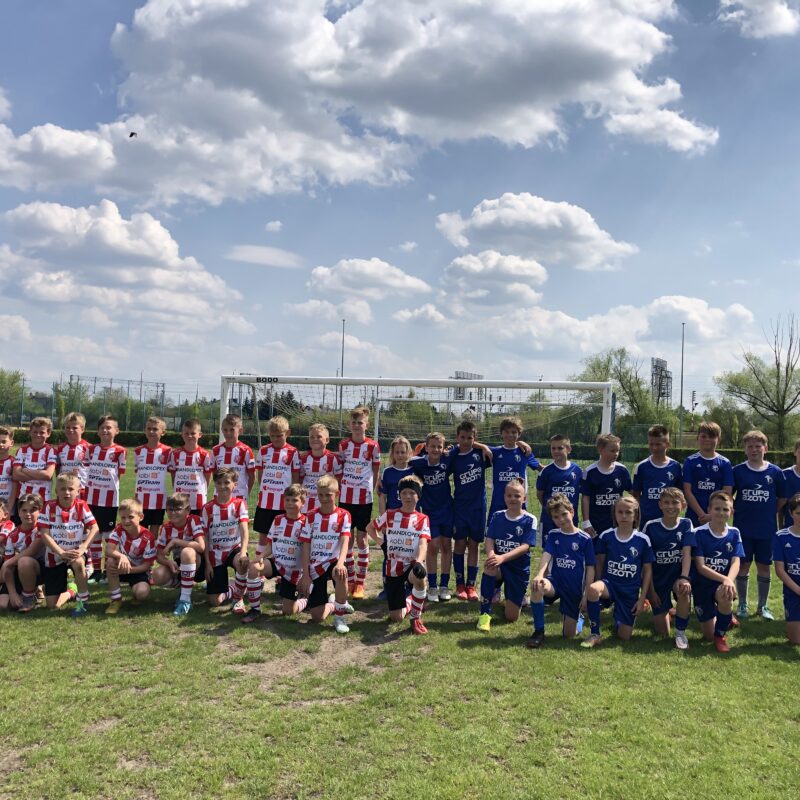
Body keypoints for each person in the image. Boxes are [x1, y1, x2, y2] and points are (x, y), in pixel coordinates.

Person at [582, 496, 653, 647]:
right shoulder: (606, 536)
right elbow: (599, 564)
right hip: (610, 585)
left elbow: (647, 571)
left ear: (636, 515)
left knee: (624, 637)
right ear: (614, 514)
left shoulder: (643, 540)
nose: (624, 516)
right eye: (620, 512)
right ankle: (595, 633)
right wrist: (596, 590)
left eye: (628, 512)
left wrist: (642, 599)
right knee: (593, 589)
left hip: (629, 591)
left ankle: (619, 618)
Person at [528, 494, 595, 648]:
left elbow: (590, 568)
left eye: (564, 514)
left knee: (568, 635)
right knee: (537, 586)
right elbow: (546, 556)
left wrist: (586, 595)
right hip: (555, 583)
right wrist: (539, 575)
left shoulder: (585, 539)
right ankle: (539, 631)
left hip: (574, 589)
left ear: (572, 511)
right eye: (556, 517)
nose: (561, 519)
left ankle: (578, 619)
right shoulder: (553, 535)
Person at [733, 430, 786, 620]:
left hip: (766, 529)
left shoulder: (775, 472)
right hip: (743, 529)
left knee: (764, 566)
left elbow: (782, 498)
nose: (754, 449)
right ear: (745, 449)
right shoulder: (738, 471)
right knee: (743, 566)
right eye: (750, 446)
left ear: (766, 448)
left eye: (758, 446)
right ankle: (742, 604)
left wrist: (769, 511)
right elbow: (728, 495)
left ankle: (763, 606)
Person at [367, 475, 430, 634]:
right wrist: (381, 542)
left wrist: (419, 561)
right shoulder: (390, 514)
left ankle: (415, 617)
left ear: (418, 496)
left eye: (412, 493)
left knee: (420, 577)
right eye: (404, 493)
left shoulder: (422, 519)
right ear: (399, 495)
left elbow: (423, 543)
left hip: (412, 564)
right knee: (396, 617)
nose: (408, 496)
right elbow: (370, 528)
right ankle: (413, 600)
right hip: (393, 568)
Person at [242, 483, 309, 623]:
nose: (290, 503)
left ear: (303, 502)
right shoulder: (278, 520)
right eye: (287, 500)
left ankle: (307, 599)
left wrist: (305, 574)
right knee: (254, 567)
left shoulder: (306, 523)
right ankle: (255, 609)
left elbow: (307, 551)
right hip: (277, 563)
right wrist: (260, 557)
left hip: (294, 570)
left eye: (295, 500)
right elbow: (270, 546)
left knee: (288, 611)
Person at [476, 478, 536, 631]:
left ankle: (512, 597)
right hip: (499, 565)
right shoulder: (498, 516)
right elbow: (489, 539)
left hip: (518, 570)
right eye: (509, 495)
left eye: (517, 496)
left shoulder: (530, 520)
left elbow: (525, 547)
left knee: (511, 617)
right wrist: (492, 554)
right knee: (490, 566)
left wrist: (502, 557)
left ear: (524, 498)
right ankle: (484, 615)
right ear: (504, 497)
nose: (513, 499)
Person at [38, 473, 99, 615]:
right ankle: (72, 590)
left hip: (75, 552)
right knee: (52, 606)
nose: (67, 492)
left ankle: (82, 602)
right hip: (55, 555)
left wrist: (83, 547)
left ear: (78, 491)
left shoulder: (81, 505)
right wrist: (60, 552)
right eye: (63, 489)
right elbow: (44, 533)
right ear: (56, 491)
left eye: (71, 489)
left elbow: (95, 528)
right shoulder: (49, 506)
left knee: (78, 562)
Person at [641, 487, 695, 649]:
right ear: (660, 505)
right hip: (658, 580)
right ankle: (667, 612)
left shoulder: (686, 524)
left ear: (683, 505)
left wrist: (684, 578)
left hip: (677, 577)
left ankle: (680, 633)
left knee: (684, 589)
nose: (670, 506)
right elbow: (645, 564)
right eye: (666, 502)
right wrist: (650, 592)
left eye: (675, 502)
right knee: (662, 632)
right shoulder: (651, 526)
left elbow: (687, 553)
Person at [297, 475, 352, 633]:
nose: (324, 498)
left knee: (341, 573)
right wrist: (306, 574)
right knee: (317, 617)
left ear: (337, 494)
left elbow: (345, 540)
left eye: (328, 495)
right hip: (316, 565)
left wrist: (341, 563)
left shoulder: (344, 515)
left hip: (334, 560)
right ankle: (335, 602)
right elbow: (305, 545)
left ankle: (339, 617)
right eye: (320, 495)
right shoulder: (311, 516)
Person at [337, 406, 380, 599]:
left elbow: (376, 470)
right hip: (345, 498)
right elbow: (339, 469)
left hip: (364, 498)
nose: (356, 425)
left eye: (360, 422)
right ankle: (351, 579)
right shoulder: (344, 445)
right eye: (353, 422)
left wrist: (373, 487)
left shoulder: (373, 446)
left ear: (366, 425)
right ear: (349, 425)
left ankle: (360, 583)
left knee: (362, 538)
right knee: (347, 539)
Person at [692, 491, 744, 653]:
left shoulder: (734, 533)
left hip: (722, 585)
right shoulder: (698, 533)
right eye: (717, 509)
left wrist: (728, 580)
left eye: (725, 509)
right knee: (708, 635)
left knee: (725, 595)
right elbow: (700, 567)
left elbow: (736, 561)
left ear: (731, 512)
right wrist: (725, 579)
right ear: (709, 510)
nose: (721, 513)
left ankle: (720, 636)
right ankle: (725, 615)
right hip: (702, 585)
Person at [448, 420, 491, 601]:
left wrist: (483, 446)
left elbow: (504, 449)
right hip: (460, 508)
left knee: (474, 545)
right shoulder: (453, 456)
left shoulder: (480, 454)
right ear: (457, 437)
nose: (466, 441)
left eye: (469, 438)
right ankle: (459, 585)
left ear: (475, 438)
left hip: (478, 508)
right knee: (459, 544)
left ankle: (471, 586)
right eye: (462, 437)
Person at [410, 432, 454, 602]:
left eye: (439, 446)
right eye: (432, 446)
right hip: (429, 511)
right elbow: (401, 461)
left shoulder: (447, 459)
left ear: (443, 448)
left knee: (446, 545)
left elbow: (463, 446)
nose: (436, 449)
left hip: (447, 510)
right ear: (426, 447)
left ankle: (444, 585)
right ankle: (433, 586)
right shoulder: (418, 463)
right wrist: (380, 480)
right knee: (433, 546)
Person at [85, 415, 127, 580]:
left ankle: (108, 570)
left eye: (109, 427)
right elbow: (86, 469)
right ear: (97, 431)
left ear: (117, 431)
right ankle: (96, 570)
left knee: (109, 536)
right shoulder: (91, 449)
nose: (105, 430)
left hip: (109, 500)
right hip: (91, 499)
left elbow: (119, 475)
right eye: (102, 427)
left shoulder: (120, 451)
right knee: (94, 535)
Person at [202, 467, 250, 609]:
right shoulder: (207, 508)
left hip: (234, 549)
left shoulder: (239, 504)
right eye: (219, 483)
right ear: (215, 484)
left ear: (234, 484)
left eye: (226, 482)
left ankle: (238, 598)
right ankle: (235, 587)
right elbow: (205, 537)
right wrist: (207, 563)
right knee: (215, 602)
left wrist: (243, 552)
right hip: (215, 553)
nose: (222, 486)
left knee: (242, 562)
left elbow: (244, 530)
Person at [151, 492, 206, 616]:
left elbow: (201, 547)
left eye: (178, 509)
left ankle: (185, 600)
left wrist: (175, 541)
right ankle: (184, 586)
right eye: (170, 509)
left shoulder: (193, 520)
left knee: (187, 551)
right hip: (180, 565)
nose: (173, 513)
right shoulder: (166, 527)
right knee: (157, 575)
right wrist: (169, 562)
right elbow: (159, 555)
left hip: (201, 565)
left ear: (188, 510)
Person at [253, 415, 300, 545]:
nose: (275, 439)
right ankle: (260, 557)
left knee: (281, 536)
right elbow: (261, 476)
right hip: (265, 502)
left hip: (284, 503)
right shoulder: (263, 451)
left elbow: (296, 478)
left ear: (287, 433)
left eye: (279, 435)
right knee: (263, 535)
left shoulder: (293, 452)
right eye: (272, 436)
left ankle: (278, 557)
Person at [104, 499, 157, 613]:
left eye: (131, 517)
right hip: (123, 566)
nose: (126, 521)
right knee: (111, 561)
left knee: (141, 594)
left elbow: (147, 566)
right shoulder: (119, 530)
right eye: (123, 517)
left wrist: (128, 570)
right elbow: (108, 550)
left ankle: (136, 591)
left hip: (138, 571)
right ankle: (116, 599)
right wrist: (121, 557)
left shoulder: (148, 537)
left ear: (141, 517)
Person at [580, 433, 632, 547]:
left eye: (618, 450)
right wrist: (586, 522)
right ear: (600, 450)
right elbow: (585, 498)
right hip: (596, 522)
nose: (616, 454)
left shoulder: (622, 470)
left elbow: (633, 493)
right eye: (612, 450)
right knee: (596, 553)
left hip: (617, 521)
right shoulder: (590, 472)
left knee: (615, 551)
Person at [487, 417, 540, 519]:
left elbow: (540, 468)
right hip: (498, 503)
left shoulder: (524, 452)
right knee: (494, 529)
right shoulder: (494, 452)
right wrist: (483, 447)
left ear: (519, 434)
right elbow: (471, 444)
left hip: (519, 502)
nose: (510, 435)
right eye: (506, 432)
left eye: (514, 432)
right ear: (501, 433)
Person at [631, 424, 683, 528]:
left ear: (667, 444)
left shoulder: (675, 466)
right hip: (647, 521)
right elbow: (635, 494)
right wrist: (639, 513)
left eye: (658, 444)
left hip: (670, 521)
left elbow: (680, 494)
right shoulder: (641, 466)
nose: (654, 448)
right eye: (651, 444)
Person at [682, 421, 733, 526]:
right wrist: (701, 514)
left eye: (712, 436)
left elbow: (727, 492)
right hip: (694, 517)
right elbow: (687, 491)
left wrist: (711, 516)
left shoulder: (725, 463)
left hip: (717, 517)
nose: (707, 439)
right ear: (698, 438)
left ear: (718, 439)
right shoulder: (690, 461)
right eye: (704, 436)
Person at [1, 493, 45, 612]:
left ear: (40, 511)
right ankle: (30, 592)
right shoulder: (12, 536)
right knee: (4, 605)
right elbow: (8, 568)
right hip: (22, 572)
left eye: (32, 510)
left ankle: (29, 598)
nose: (28, 514)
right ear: (19, 512)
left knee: (24, 561)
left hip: (45, 570)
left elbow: (33, 550)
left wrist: (8, 562)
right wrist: (12, 593)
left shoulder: (43, 528)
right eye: (24, 510)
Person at [536, 434, 581, 546]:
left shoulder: (577, 470)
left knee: (569, 546)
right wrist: (550, 508)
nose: (556, 451)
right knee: (549, 549)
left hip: (569, 517)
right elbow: (540, 494)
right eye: (553, 448)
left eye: (560, 448)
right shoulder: (546, 471)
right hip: (550, 519)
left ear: (569, 449)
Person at [134, 416, 172, 537]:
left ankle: (152, 550)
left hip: (159, 499)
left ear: (163, 432)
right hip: (141, 499)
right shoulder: (138, 451)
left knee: (154, 533)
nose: (151, 431)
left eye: (155, 429)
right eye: (148, 428)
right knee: (140, 531)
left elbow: (173, 474)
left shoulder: (168, 451)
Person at [11, 417, 57, 517]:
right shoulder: (22, 450)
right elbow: (16, 475)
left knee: (40, 526)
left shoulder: (51, 450)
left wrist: (24, 470)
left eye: (42, 432)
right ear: (30, 433)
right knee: (21, 525)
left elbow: (48, 475)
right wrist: (40, 474)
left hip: (43, 498)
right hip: (23, 497)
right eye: (35, 432)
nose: (38, 435)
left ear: (48, 433)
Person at [169, 418, 213, 516]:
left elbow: (208, 476)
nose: (189, 436)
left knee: (198, 523)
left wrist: (202, 489)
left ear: (199, 434)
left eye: (193, 433)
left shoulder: (204, 454)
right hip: (180, 498)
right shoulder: (175, 454)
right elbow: (173, 475)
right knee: (180, 522)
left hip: (198, 498)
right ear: (182, 434)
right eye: (186, 433)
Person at [773, 492, 800, 645]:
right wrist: (798, 590)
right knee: (795, 641)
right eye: (798, 513)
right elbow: (779, 570)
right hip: (793, 591)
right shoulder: (781, 536)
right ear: (791, 513)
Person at [297, 423, 341, 513]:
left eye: (319, 436)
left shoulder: (334, 458)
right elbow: (299, 479)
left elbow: (339, 480)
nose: (315, 439)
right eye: (312, 437)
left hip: (325, 503)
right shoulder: (303, 458)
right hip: (305, 504)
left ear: (327, 440)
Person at [212, 413, 256, 501]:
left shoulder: (246, 450)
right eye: (225, 430)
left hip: (239, 496)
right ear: (222, 430)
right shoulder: (216, 450)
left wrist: (246, 492)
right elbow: (214, 474)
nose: (228, 433)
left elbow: (252, 476)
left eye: (232, 430)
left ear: (240, 430)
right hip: (219, 496)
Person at [55, 412, 91, 498]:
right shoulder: (60, 448)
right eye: (67, 427)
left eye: (74, 428)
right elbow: (58, 469)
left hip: (82, 490)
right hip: (64, 490)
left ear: (82, 429)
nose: (71, 430)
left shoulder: (89, 448)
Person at [781, 439, 800, 529]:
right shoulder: (784, 475)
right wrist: (780, 527)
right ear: (795, 452)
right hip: (789, 530)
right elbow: (780, 505)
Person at [0, 426, 14, 509]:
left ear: (11, 443)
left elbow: (16, 488)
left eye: (3, 441)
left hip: (8, 508)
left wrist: (9, 508)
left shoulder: (15, 463)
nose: (0, 444)